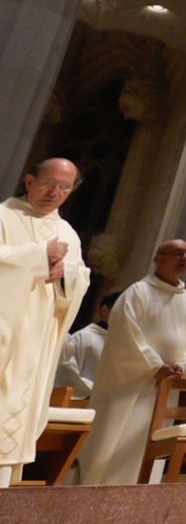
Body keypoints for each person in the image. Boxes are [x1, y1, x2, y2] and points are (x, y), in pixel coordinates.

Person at [76, 240, 186, 485]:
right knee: (113, 443)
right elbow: (125, 334)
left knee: (152, 444)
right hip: (130, 384)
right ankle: (96, 496)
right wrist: (154, 366)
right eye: (178, 253)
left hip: (165, 387)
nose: (184, 258)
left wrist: (183, 367)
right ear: (158, 257)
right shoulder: (137, 292)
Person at [0, 158, 90, 488]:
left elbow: (78, 282)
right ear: (28, 181)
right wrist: (39, 256)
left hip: (35, 344)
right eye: (49, 183)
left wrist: (64, 273)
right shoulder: (3, 216)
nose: (55, 192)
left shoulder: (67, 232)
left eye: (65, 187)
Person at [57, 291, 120, 399]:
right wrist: (95, 391)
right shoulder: (84, 337)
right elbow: (65, 373)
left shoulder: (122, 345)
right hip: (80, 402)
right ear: (105, 311)